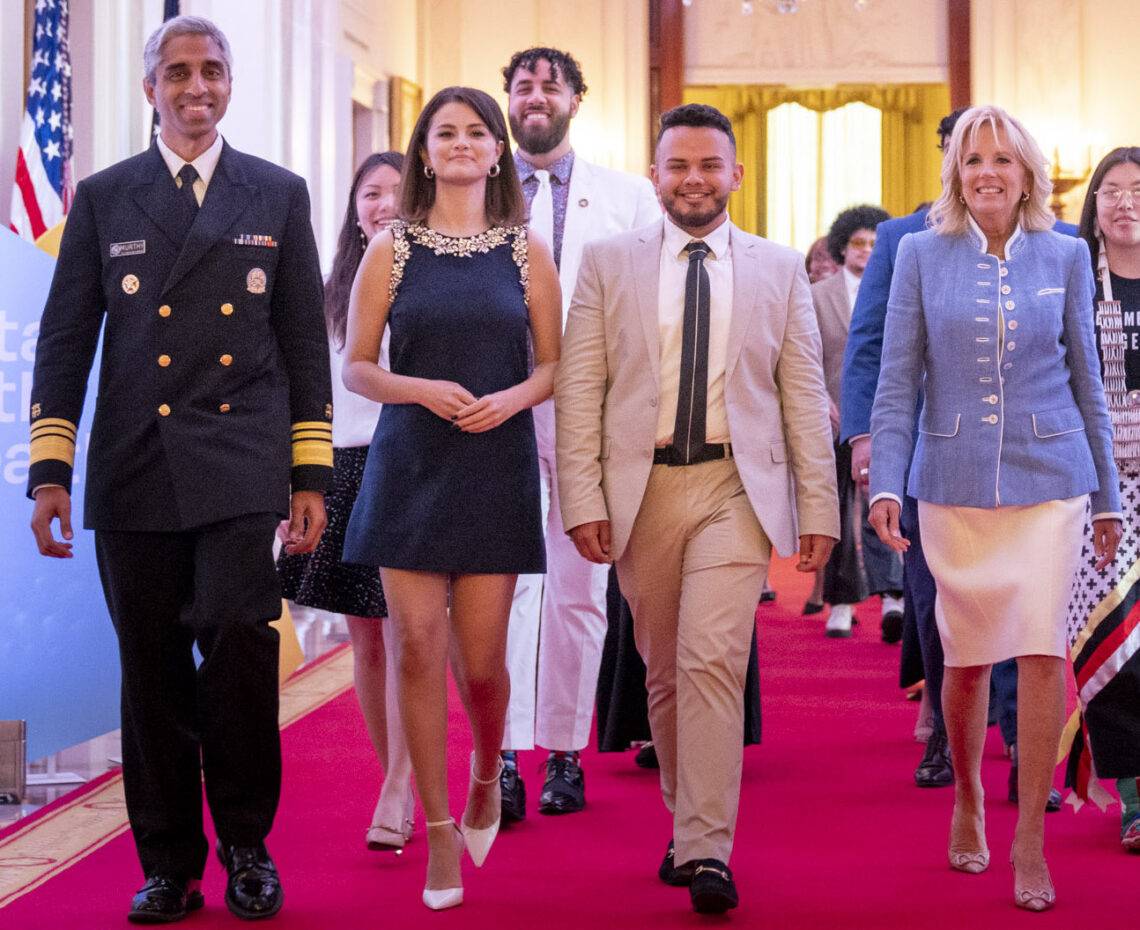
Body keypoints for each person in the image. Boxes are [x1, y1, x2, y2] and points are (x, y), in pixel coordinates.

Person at [26, 15, 330, 923]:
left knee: (241, 643)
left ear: (230, 84)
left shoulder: (276, 194)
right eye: (180, 73)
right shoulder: (105, 196)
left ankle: (246, 845)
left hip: (241, 460)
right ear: (149, 88)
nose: (198, 88)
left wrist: (308, 471)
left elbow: (301, 342)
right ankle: (168, 864)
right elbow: (67, 338)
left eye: (214, 72)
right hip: (135, 465)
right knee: (150, 669)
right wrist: (50, 469)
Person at [556, 102, 838, 914]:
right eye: (677, 165)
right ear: (655, 176)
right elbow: (581, 389)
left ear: (736, 175)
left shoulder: (779, 268)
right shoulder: (609, 264)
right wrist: (582, 497)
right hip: (641, 493)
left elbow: (800, 394)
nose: (693, 179)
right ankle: (687, 824)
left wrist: (818, 505)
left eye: (709, 165)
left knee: (714, 657)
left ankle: (709, 847)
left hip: (734, 488)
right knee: (667, 669)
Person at [868, 104, 1122, 912]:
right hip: (951, 484)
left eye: (1002, 160)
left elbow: (1089, 381)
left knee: (1045, 648)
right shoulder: (917, 253)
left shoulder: (1068, 254)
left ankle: (1029, 842)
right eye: (972, 159)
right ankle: (968, 796)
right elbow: (897, 380)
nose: (986, 172)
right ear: (955, 171)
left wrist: (1109, 496)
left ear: (1027, 175)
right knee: (968, 662)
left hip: (1053, 480)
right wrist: (885, 483)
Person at [340, 86, 561, 911]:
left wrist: (512, 400)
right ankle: (437, 833)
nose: (462, 143)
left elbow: (554, 364)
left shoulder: (524, 250)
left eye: (477, 132)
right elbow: (357, 366)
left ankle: (485, 769)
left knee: (483, 671)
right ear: (422, 153)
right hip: (410, 465)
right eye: (446, 133)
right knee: (415, 651)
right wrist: (421, 389)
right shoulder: (391, 249)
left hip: (496, 464)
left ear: (498, 151)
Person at [498, 46, 661, 820]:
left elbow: (660, 303)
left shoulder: (628, 198)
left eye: (550, 85)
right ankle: (499, 754)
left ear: (575, 100)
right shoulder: (471, 191)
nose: (536, 96)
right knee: (499, 588)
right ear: (508, 100)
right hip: (492, 407)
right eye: (524, 86)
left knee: (576, 590)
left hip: (590, 413)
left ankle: (563, 752)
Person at [275, 151, 416, 853]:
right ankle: (395, 774)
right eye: (370, 192)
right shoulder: (328, 288)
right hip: (342, 467)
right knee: (366, 637)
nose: (382, 202)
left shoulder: (428, 278)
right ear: (354, 205)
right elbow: (303, 389)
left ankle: (399, 788)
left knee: (406, 634)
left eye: (394, 190)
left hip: (409, 465)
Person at [1063, 147, 1140, 852]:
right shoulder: (1070, 278)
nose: (1124, 201)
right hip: (1097, 489)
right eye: (1111, 190)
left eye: (1138, 190)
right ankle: (1133, 794)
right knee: (1110, 642)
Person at [811, 204, 904, 639]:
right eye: (857, 243)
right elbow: (804, 358)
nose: (865, 251)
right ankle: (842, 602)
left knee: (881, 506)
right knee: (836, 513)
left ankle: (891, 596)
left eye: (872, 243)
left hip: (883, 416)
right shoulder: (816, 294)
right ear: (842, 246)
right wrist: (823, 400)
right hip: (829, 417)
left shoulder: (897, 287)